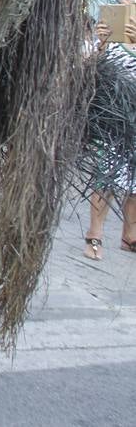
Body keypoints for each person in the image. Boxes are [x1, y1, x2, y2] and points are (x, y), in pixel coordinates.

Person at [85, 18, 136, 260]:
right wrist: (102, 45)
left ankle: (130, 236)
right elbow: (88, 71)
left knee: (134, 180)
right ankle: (94, 236)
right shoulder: (107, 39)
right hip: (113, 116)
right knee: (107, 176)